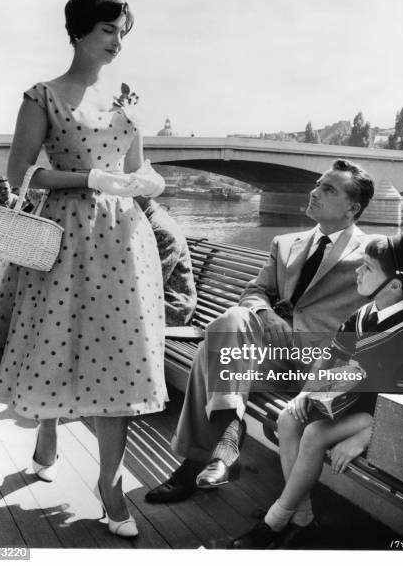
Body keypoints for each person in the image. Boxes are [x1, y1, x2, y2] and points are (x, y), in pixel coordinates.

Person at [0, 0, 167, 539]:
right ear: (80, 31)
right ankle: (48, 434)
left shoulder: (126, 100)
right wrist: (89, 177)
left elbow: (140, 170)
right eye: (108, 30)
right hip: (61, 240)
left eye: (121, 33)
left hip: (122, 243)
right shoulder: (41, 96)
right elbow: (20, 176)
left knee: (121, 357)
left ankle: (108, 483)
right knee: (57, 346)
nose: (116, 43)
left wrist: (147, 180)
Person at [145, 159, 375, 504]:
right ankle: (226, 444)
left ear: (352, 208)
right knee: (232, 323)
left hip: (323, 371)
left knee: (212, 355)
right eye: (317, 184)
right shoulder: (285, 243)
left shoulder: (376, 250)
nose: (314, 192)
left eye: (328, 189)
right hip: (276, 358)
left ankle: (201, 459)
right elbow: (255, 291)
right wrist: (266, 314)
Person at [230, 226, 403, 548]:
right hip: (356, 403)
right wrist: (306, 392)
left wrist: (363, 437)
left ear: (394, 285)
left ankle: (276, 519)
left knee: (315, 434)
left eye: (367, 268)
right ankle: (301, 516)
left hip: (385, 418)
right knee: (289, 417)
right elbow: (332, 356)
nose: (358, 270)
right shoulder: (367, 312)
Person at [136, 196, 197, 326]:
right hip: (156, 301)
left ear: (143, 194)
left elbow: (153, 281)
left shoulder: (161, 229)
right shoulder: (147, 221)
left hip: (172, 308)